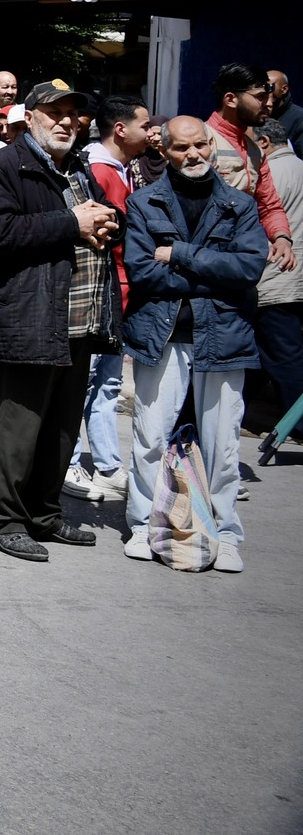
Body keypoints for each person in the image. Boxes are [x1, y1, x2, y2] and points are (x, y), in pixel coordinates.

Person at [0, 80, 121, 562]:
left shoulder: (77, 167)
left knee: (62, 427)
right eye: (54, 112)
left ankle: (44, 512)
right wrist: (72, 223)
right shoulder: (2, 167)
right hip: (30, 316)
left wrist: (108, 223)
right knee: (23, 427)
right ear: (29, 116)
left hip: (78, 317)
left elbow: (94, 216)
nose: (65, 121)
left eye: (72, 113)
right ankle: (5, 520)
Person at [120, 116, 266, 572]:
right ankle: (143, 525)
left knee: (224, 445)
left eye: (200, 145)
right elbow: (143, 272)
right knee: (149, 436)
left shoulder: (239, 205)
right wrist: (214, 274)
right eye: (182, 148)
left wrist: (180, 254)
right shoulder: (144, 202)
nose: (194, 154)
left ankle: (226, 532)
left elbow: (248, 269)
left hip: (224, 336)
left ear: (211, 145)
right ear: (164, 151)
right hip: (162, 336)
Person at [61, 95, 151, 501]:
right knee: (83, 383)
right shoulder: (98, 170)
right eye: (144, 126)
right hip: (100, 294)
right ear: (120, 129)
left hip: (120, 293)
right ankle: (67, 462)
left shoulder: (122, 168)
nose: (151, 133)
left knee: (107, 385)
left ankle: (108, 465)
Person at [205, 63, 298, 274]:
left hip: (238, 264)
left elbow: (269, 205)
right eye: (260, 97)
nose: (269, 104)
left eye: (269, 97)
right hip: (204, 262)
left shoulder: (255, 151)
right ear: (231, 99)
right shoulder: (202, 141)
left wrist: (282, 238)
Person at [247, 124, 303, 422]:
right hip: (291, 280)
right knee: (263, 352)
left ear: (264, 142)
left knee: (284, 357)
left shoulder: (271, 175)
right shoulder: (299, 168)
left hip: (276, 279)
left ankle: (297, 424)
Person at [268, 68, 303, 154]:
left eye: (269, 87)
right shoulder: (258, 114)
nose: (264, 91)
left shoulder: (299, 118)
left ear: (284, 89)